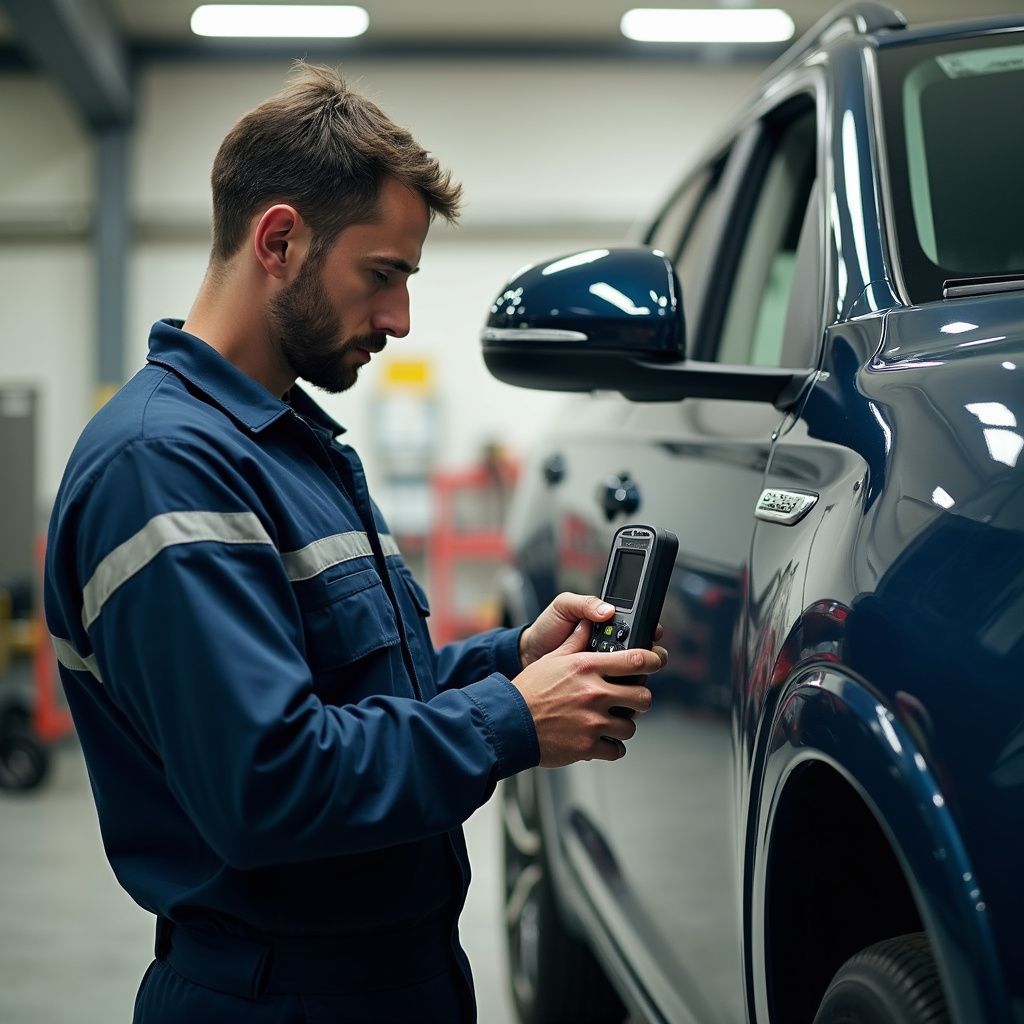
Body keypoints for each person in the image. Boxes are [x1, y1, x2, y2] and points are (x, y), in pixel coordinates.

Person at [44, 64, 667, 1023]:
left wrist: (513, 659)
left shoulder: (292, 446)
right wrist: (511, 719)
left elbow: (353, 691)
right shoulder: (162, 468)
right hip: (280, 995)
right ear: (280, 240)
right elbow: (269, 783)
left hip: (387, 976)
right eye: (383, 276)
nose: (400, 320)